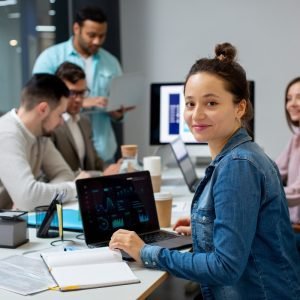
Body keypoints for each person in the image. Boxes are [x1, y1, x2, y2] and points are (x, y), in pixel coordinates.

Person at [109, 43, 300, 299]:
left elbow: (225, 267)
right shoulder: (242, 154)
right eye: (189, 104)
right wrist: (206, 229)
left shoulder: (238, 165)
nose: (196, 115)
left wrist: (146, 252)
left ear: (239, 108)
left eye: (211, 103)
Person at [32, 6, 131, 163]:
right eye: (91, 35)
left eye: (102, 36)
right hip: (63, 151)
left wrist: (118, 112)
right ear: (76, 28)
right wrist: (83, 101)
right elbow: (38, 101)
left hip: (103, 150)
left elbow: (117, 105)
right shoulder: (50, 58)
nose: (97, 41)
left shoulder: (111, 62)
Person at [0, 74, 89, 211]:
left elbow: (65, 175)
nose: (61, 122)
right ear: (43, 109)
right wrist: (74, 187)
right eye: (60, 114)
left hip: (15, 222)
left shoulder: (40, 134)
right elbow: (28, 198)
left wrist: (38, 196)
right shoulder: (6, 134)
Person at [52, 61, 120, 176]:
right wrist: (101, 175)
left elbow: (95, 163)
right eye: (72, 93)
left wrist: (115, 169)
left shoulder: (84, 121)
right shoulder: (51, 126)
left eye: (82, 93)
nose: (78, 99)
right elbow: (54, 175)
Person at [276, 77, 300, 225]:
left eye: (299, 97)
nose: (291, 104)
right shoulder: (297, 138)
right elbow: (274, 170)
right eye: (289, 98)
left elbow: (297, 192)